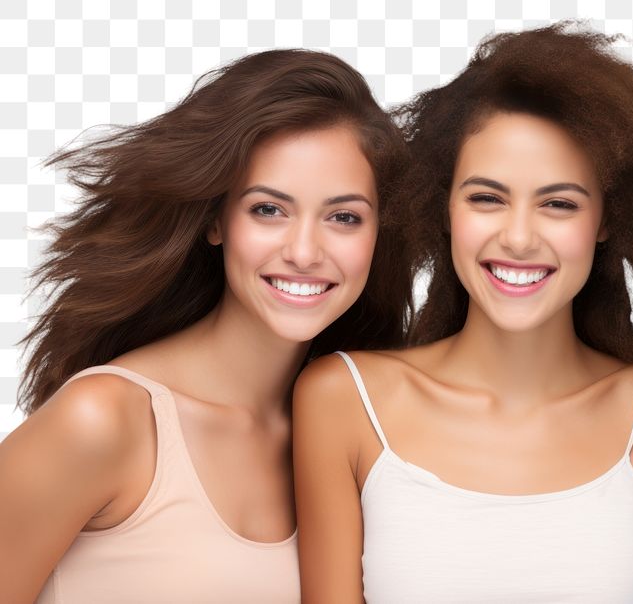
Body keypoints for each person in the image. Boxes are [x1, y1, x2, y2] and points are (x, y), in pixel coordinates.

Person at [293, 24, 633, 603]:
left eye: (559, 203)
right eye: (487, 198)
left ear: (607, 221)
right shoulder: (344, 401)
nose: (518, 238)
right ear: (444, 207)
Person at [0, 49, 410, 603]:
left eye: (343, 217)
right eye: (269, 209)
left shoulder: (354, 436)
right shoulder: (103, 420)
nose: (306, 251)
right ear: (217, 220)